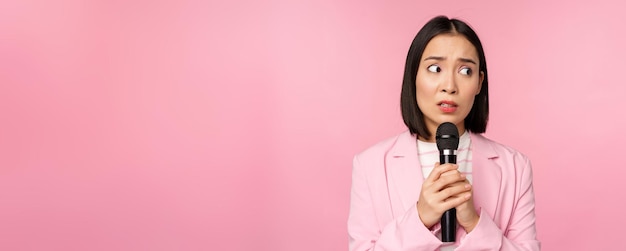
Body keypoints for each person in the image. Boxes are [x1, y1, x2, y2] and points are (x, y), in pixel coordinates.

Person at [347, 16, 540, 250]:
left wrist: (474, 223)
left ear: (479, 82)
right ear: (414, 75)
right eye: (435, 68)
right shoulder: (370, 165)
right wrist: (420, 218)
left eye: (465, 70)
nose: (449, 85)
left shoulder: (516, 167)